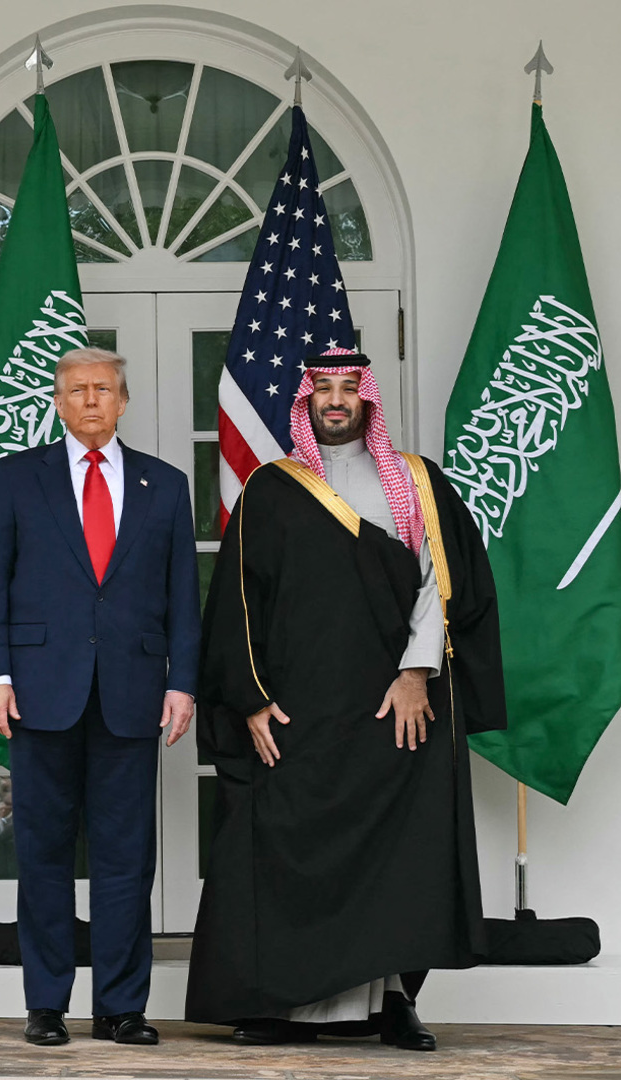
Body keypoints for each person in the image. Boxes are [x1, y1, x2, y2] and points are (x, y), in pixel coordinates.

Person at [185, 349, 507, 1051]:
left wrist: (416, 673)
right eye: (324, 388)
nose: (336, 400)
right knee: (286, 844)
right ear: (306, 400)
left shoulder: (418, 481)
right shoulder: (272, 486)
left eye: (348, 389)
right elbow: (238, 600)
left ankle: (394, 1003)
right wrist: (251, 699)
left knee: (400, 853)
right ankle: (281, 1003)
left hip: (399, 705)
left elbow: (443, 582)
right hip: (300, 708)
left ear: (368, 400)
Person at [0, 347, 200, 1047]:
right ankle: (46, 1005)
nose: (91, 399)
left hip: (133, 692)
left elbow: (184, 596)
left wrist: (182, 682)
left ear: (123, 401)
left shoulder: (166, 484)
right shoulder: (17, 478)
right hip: (39, 692)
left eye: (103, 388)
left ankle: (121, 1008)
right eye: (77, 390)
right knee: (43, 853)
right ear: (59, 403)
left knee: (126, 859)